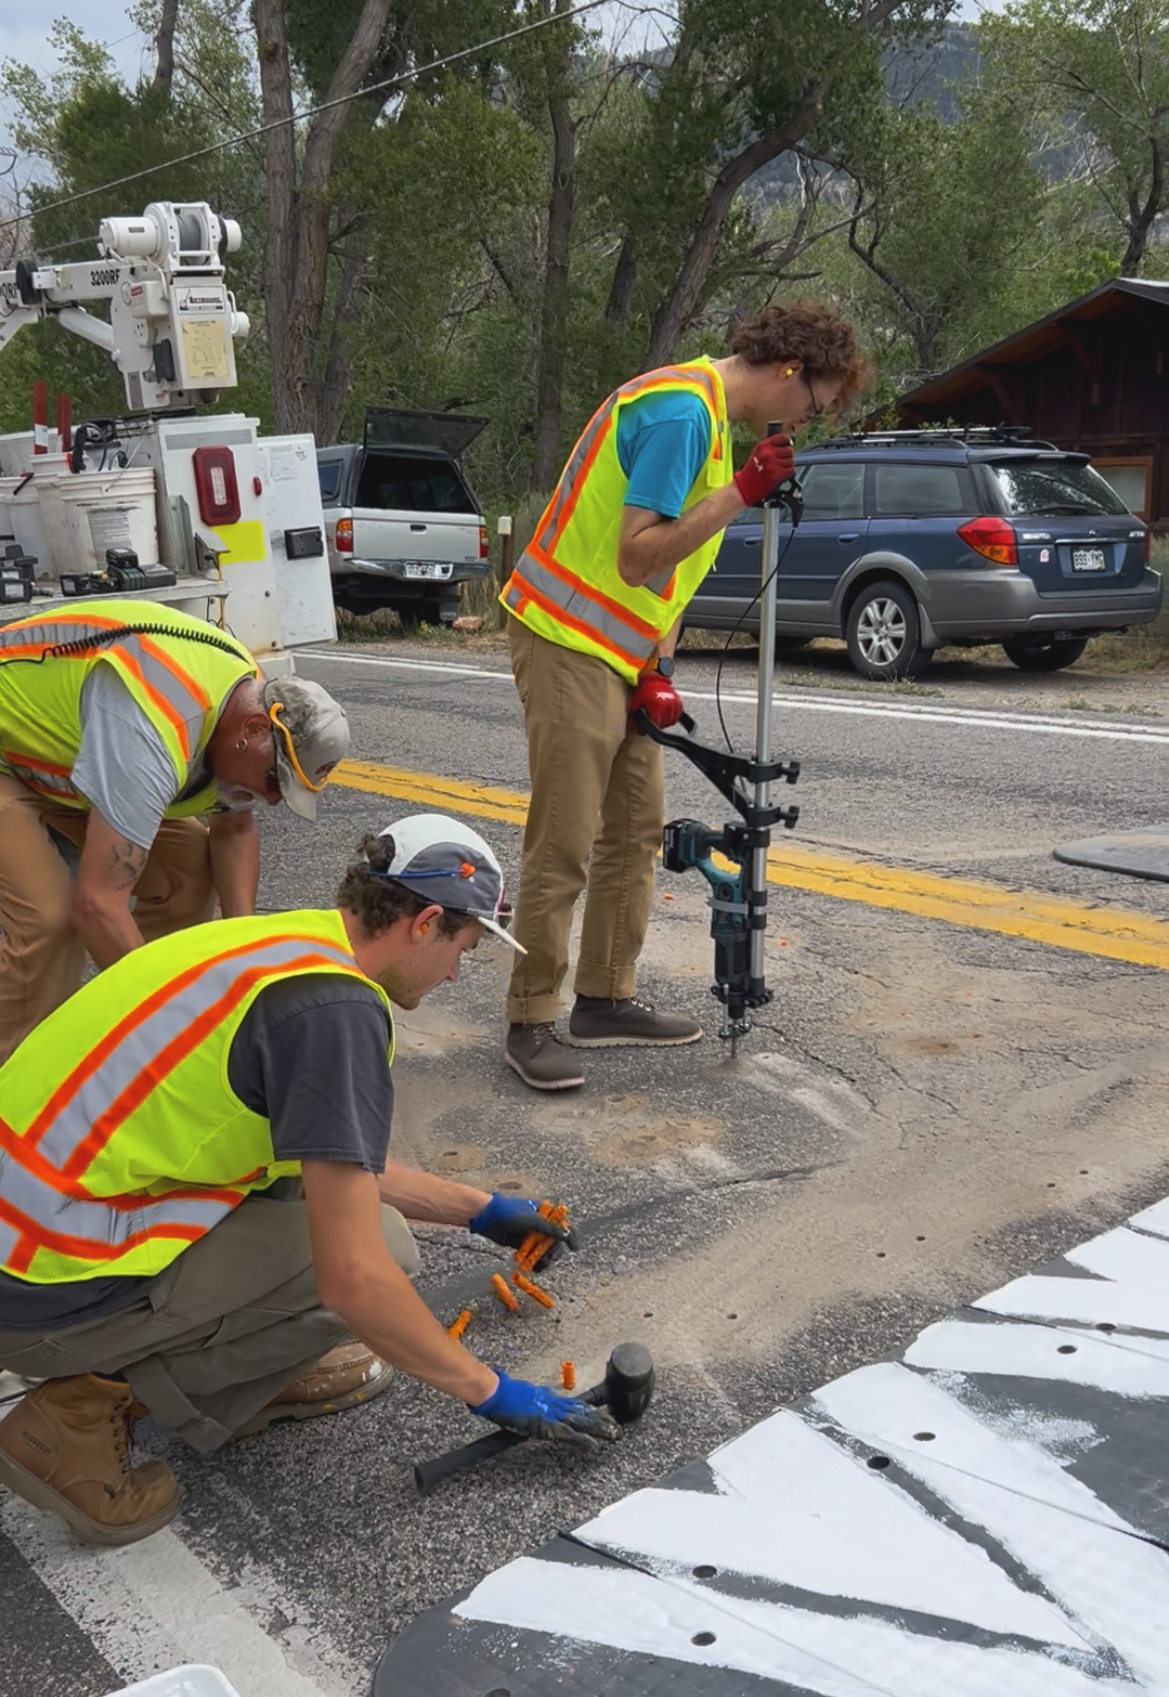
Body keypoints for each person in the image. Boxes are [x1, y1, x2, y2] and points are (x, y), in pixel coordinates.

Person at [0, 812, 616, 1547]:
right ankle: (76, 1418)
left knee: (305, 1197)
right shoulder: (335, 1013)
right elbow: (354, 1278)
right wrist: (493, 1391)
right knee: (382, 1254)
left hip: (31, 1223)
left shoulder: (284, 944)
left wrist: (478, 1209)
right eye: (465, 946)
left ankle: (241, 1371)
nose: (456, 972)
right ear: (424, 923)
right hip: (37, 1285)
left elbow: (333, 1153)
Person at [500, 299, 868, 1090]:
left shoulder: (708, 419)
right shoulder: (681, 415)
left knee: (632, 828)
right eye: (815, 403)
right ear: (788, 370)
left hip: (618, 653)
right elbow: (638, 556)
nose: (808, 420)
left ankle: (602, 996)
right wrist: (739, 491)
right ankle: (529, 1019)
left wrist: (653, 666)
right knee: (565, 836)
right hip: (565, 637)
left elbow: (662, 585)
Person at [0, 598, 350, 1064]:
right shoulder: (154, 724)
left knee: (188, 869)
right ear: (251, 729)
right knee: (48, 919)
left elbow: (234, 828)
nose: (270, 799)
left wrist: (243, 963)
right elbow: (97, 904)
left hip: (67, 763)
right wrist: (174, 1032)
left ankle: (129, 1024)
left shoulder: (245, 704)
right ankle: (19, 1081)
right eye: (273, 780)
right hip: (10, 756)